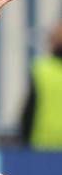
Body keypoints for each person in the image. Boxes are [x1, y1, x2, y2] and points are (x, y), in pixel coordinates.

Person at [21, 19, 62, 149]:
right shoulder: (41, 68)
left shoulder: (42, 68)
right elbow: (30, 109)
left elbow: (28, 111)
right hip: (43, 146)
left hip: (43, 146)